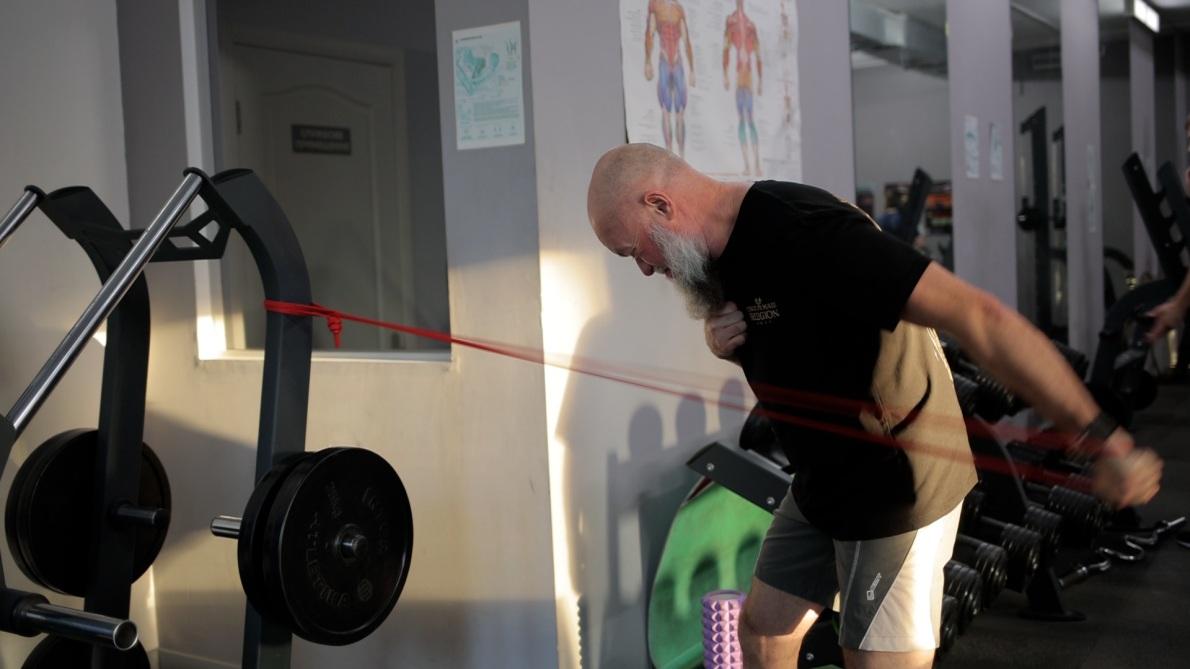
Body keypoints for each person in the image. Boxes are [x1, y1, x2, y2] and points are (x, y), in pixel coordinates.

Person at [586, 143, 1163, 668]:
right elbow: (796, 338)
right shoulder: (716, 254)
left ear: (660, 205)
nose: (644, 268)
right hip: (823, 479)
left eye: (633, 250)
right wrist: (726, 345)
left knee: (870, 659)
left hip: (894, 480)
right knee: (762, 634)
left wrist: (1105, 441)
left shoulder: (808, 231)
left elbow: (981, 318)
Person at [645, 0, 695, 157]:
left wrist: (692, 70)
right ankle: (669, 154)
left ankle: (681, 156)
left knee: (679, 111)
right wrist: (647, 61)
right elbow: (650, 33)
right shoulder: (655, 5)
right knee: (666, 110)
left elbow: (686, 40)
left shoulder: (678, 9)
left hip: (677, 61)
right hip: (665, 60)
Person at [723, 0, 762, 175]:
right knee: (742, 120)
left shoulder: (751, 26)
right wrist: (725, 75)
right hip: (740, 80)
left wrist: (760, 81)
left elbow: (758, 55)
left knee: (750, 120)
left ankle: (756, 163)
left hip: (748, 79)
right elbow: (726, 49)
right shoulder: (731, 23)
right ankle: (747, 164)